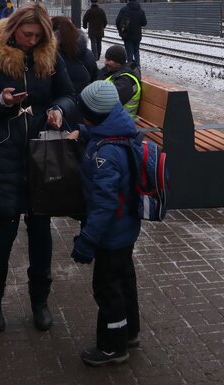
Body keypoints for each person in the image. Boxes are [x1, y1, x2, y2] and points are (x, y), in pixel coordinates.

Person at [0, 2, 77, 333]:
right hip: (5, 152)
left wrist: (58, 109)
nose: (32, 41)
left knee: (41, 228)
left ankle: (39, 302)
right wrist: (2, 100)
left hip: (43, 150)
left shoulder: (49, 56)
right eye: (27, 35)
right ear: (14, 29)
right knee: (5, 227)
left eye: (38, 36)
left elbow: (69, 94)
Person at [70, 80, 142, 366]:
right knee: (125, 281)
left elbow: (104, 204)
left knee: (107, 289)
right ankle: (130, 332)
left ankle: (113, 347)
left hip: (110, 234)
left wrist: (87, 241)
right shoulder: (118, 131)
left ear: (92, 115)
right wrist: (85, 132)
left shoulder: (105, 154)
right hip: (126, 229)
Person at [53, 15, 99, 96]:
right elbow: (95, 78)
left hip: (62, 104)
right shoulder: (88, 54)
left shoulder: (54, 58)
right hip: (87, 99)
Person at [100, 44, 142, 119]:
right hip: (114, 117)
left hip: (122, 121)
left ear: (118, 62)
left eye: (109, 60)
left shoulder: (126, 81)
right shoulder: (114, 71)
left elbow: (107, 102)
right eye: (106, 59)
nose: (105, 63)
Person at [115, 0, 147, 69]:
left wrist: (120, 31)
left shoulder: (124, 9)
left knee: (129, 52)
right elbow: (144, 23)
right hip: (137, 35)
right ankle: (138, 67)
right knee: (136, 51)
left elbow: (117, 21)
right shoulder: (141, 11)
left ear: (128, 1)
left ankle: (130, 68)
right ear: (136, 0)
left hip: (127, 35)